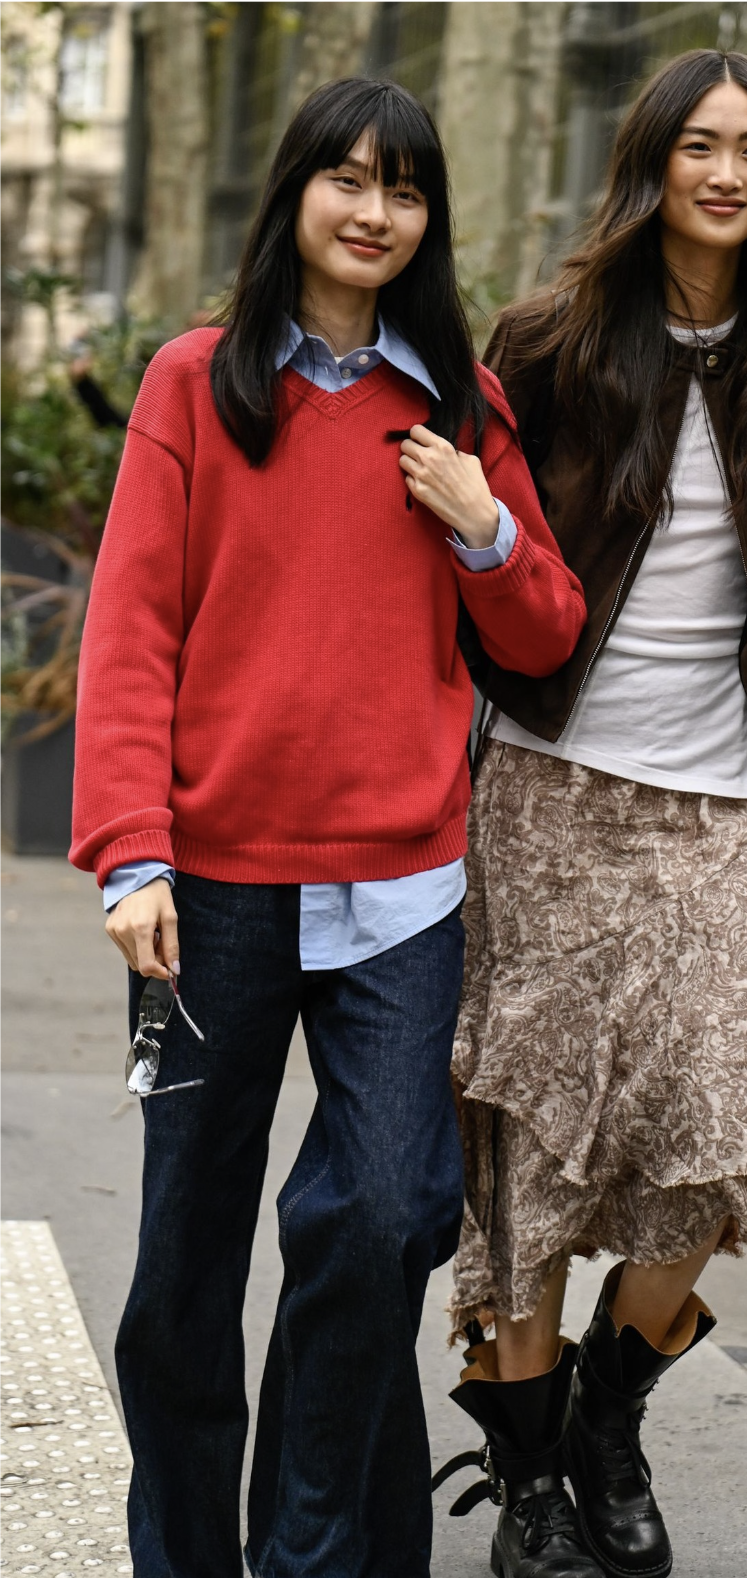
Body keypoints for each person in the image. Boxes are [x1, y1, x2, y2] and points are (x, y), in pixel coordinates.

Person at [69, 78, 586, 1578]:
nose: (373, 209)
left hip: (403, 886)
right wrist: (129, 848)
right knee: (185, 1258)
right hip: (207, 889)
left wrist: (479, 521)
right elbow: (131, 634)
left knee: (384, 1216)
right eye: (347, 178)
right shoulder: (193, 384)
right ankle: (184, 1554)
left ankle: (313, 1547)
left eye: (405, 187)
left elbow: (543, 630)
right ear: (295, 192)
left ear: (429, 218)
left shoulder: (457, 406)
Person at [432, 49, 747, 1578]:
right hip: (546, 791)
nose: (729, 173)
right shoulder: (548, 341)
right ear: (653, 163)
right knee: (536, 1145)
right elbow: (473, 569)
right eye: (701, 145)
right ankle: (534, 1475)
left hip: (721, 805)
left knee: (715, 1135)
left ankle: (610, 1414)